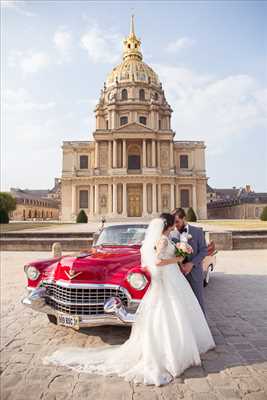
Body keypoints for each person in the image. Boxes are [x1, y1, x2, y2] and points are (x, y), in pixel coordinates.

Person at [44, 214, 215, 386]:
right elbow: (157, 261)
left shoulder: (164, 238)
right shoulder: (163, 240)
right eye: (173, 224)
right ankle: (171, 351)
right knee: (169, 312)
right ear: (169, 226)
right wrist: (178, 257)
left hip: (170, 278)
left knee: (170, 312)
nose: (175, 226)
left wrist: (180, 250)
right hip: (168, 278)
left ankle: (176, 347)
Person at [170, 208, 207, 315]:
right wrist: (180, 265)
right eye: (173, 222)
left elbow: (203, 251)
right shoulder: (171, 235)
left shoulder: (198, 232)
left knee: (198, 302)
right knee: (181, 304)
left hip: (195, 274)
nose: (175, 225)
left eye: (177, 221)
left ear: (184, 219)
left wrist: (192, 263)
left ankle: (201, 329)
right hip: (178, 275)